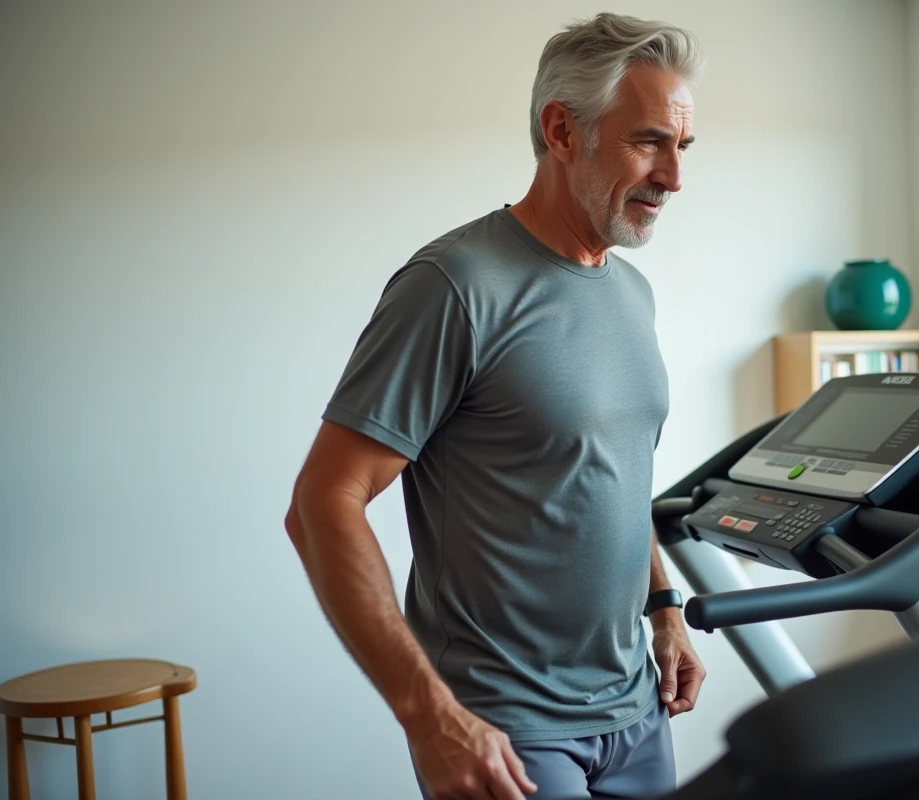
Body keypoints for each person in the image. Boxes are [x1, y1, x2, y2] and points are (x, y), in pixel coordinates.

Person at [284, 12, 706, 800]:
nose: (674, 176)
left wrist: (664, 609)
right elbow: (321, 503)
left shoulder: (631, 293)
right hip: (510, 734)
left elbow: (611, 473)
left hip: (637, 714)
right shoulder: (455, 284)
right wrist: (428, 715)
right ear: (561, 130)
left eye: (683, 147)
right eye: (649, 140)